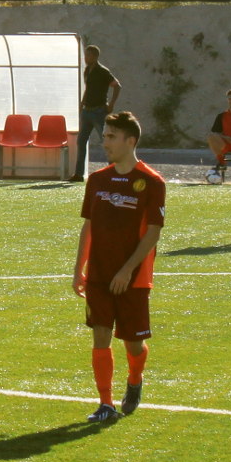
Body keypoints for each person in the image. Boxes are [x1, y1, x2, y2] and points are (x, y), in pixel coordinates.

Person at [72, 111, 165, 422]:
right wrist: (79, 269)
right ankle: (106, 404)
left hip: (134, 277)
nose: (105, 142)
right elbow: (88, 226)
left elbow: (153, 232)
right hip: (99, 273)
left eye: (112, 136)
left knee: (133, 343)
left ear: (130, 141)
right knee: (101, 335)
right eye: (105, 136)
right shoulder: (97, 180)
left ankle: (135, 380)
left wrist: (127, 270)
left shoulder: (151, 182)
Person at [70, 45, 122, 182]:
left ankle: (114, 172)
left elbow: (117, 86)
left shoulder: (103, 71)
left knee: (106, 141)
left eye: (88, 55)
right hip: (87, 111)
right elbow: (88, 89)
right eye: (85, 55)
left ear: (95, 56)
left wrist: (111, 104)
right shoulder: (87, 70)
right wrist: (82, 104)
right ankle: (78, 174)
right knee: (81, 141)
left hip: (99, 112)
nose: (86, 58)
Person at [206, 88, 231, 171]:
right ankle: (221, 162)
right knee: (211, 137)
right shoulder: (222, 116)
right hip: (226, 144)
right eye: (229, 99)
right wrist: (226, 138)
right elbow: (215, 132)